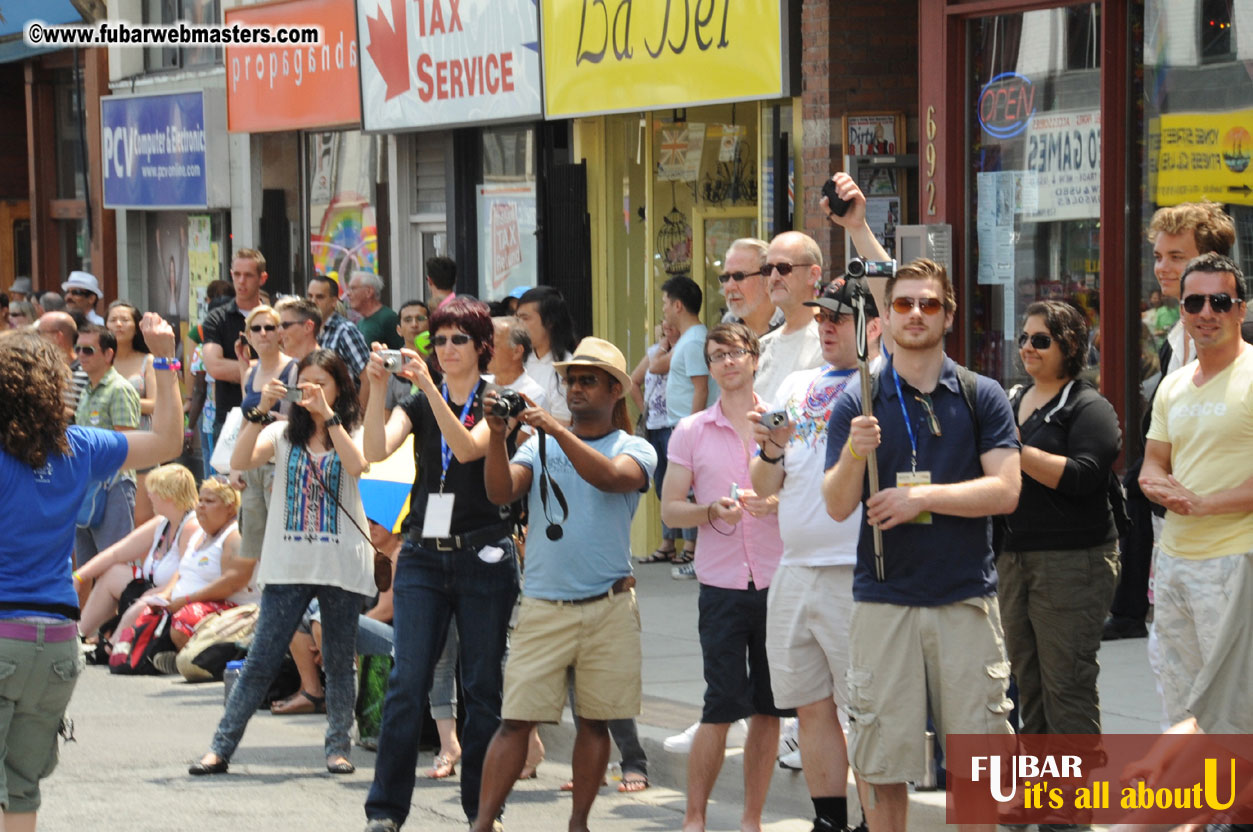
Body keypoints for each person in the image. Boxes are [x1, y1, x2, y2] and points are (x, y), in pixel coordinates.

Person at [822, 258, 1021, 832]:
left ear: (948, 315)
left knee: (978, 769)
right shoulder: (858, 399)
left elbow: (1006, 490)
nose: (916, 313)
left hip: (965, 600)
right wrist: (855, 453)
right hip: (885, 601)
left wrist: (922, 498)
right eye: (904, 303)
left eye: (928, 303)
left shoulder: (981, 394)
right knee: (882, 766)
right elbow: (837, 504)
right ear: (884, 316)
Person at [0, 314, 182, 832]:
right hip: (57, 640)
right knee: (21, 787)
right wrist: (165, 360)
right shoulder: (78, 446)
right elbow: (168, 441)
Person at [473, 336, 656, 832]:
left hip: (609, 605)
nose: (575, 388)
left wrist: (555, 429)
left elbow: (612, 478)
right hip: (543, 605)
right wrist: (497, 437)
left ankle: (578, 824)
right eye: (570, 380)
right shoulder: (537, 445)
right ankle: (483, 824)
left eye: (587, 380)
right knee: (516, 720)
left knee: (595, 722)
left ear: (616, 391)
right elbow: (500, 491)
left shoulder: (634, 447)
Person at [363, 298, 521, 831]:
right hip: (423, 555)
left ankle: (483, 810)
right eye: (439, 340)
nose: (446, 349)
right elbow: (374, 450)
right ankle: (385, 811)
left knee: (481, 687)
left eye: (458, 339)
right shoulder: (415, 400)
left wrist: (429, 388)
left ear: (481, 346)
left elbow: (470, 448)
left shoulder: (497, 398)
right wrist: (378, 387)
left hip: (483, 553)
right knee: (407, 680)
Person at [190, 348, 373, 777]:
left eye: (321, 384)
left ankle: (338, 748)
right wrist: (261, 409)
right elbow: (239, 462)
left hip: (341, 563)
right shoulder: (281, 433)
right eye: (305, 384)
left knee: (339, 661)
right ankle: (220, 748)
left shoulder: (352, 428)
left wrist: (328, 416)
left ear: (339, 388)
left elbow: (357, 465)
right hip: (289, 563)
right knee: (261, 658)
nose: (312, 392)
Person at [748, 278, 884, 830]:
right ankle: (829, 820)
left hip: (854, 570)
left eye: (839, 317)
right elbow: (762, 482)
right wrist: (772, 447)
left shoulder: (882, 380)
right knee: (809, 706)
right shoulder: (795, 384)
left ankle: (877, 820)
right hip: (794, 566)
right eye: (822, 316)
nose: (826, 326)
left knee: (867, 710)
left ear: (873, 326)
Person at [661, 323, 790, 832]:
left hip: (777, 581)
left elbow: (804, 491)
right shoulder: (691, 429)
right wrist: (710, 510)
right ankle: (694, 817)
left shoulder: (780, 419)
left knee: (769, 708)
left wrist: (775, 503)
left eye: (736, 352)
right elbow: (671, 509)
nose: (728, 362)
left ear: (755, 357)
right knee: (719, 705)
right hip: (721, 585)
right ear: (709, 367)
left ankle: (751, 819)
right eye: (717, 356)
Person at [1107, 202, 1239, 641]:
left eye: (1176, 257)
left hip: (1232, 540)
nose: (1162, 267)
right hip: (1177, 531)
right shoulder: (1175, 339)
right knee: (1180, 665)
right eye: (1158, 256)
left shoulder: (1244, 337)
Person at [1139, 252, 1253, 728]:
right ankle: (1200, 782)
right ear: (1181, 311)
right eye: (1194, 302)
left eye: (1220, 302)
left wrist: (1206, 504)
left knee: (1235, 710)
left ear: (1240, 309)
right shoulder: (1173, 385)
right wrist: (1153, 484)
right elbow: (1154, 461)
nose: (1207, 312)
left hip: (1236, 563)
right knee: (1183, 704)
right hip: (1174, 562)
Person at [999, 301, 1122, 737]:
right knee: (1026, 684)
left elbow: (1083, 476)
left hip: (1072, 562)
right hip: (1013, 559)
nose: (1027, 348)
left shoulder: (1089, 406)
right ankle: (1040, 778)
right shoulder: (1011, 400)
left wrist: (1017, 451)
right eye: (1024, 338)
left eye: (1041, 340)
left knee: (1066, 685)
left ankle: (1077, 782)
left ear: (1069, 346)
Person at [120, 478, 257, 674]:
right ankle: (170, 658)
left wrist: (186, 600)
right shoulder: (199, 535)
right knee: (147, 611)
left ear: (230, 508)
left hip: (236, 611)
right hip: (190, 606)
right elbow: (182, 570)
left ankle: (192, 662)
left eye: (209, 501)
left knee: (185, 618)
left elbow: (232, 583)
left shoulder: (235, 535)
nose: (201, 506)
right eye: (200, 500)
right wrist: (166, 595)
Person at [74, 463, 200, 645]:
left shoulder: (191, 526)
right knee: (113, 572)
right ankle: (77, 634)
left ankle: (111, 646)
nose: (149, 496)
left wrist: (152, 597)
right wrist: (79, 576)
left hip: (174, 596)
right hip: (154, 589)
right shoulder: (162, 521)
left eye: (153, 491)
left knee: (141, 604)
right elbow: (116, 553)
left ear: (169, 496)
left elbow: (184, 577)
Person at [231, 304, 300, 568]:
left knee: (282, 540)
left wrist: (276, 419)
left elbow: (301, 419)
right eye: (256, 328)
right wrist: (235, 467)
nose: (263, 333)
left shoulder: (294, 370)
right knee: (254, 544)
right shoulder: (250, 373)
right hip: (252, 466)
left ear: (280, 333)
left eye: (269, 327)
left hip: (279, 462)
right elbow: (246, 418)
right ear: (248, 335)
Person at [74, 325, 143, 577]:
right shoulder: (86, 389)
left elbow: (127, 443)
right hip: (86, 484)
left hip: (113, 485)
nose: (81, 355)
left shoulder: (119, 389)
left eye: (88, 350)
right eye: (78, 349)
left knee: (116, 566)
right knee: (86, 569)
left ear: (108, 354)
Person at [632, 321, 696, 565]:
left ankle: (690, 546)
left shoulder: (684, 350)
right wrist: (645, 411)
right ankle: (667, 543)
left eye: (671, 326)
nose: (667, 330)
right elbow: (633, 381)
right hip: (655, 426)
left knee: (685, 488)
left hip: (676, 424)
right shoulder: (654, 352)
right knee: (662, 486)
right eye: (663, 327)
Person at [201, 249, 269, 441]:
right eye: (237, 274)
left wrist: (242, 369)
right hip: (229, 418)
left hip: (272, 417)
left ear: (262, 278)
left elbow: (291, 363)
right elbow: (215, 367)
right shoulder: (217, 318)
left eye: (248, 275)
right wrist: (268, 370)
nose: (241, 281)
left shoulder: (274, 316)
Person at [753, 233, 826, 403]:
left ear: (813, 274)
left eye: (784, 268)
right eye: (768, 269)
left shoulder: (829, 341)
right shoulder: (762, 345)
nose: (774, 278)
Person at [106, 301, 158, 525]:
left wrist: (116, 399)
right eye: (113, 320)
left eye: (125, 320)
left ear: (136, 326)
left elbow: (154, 404)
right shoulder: (99, 360)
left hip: (141, 443)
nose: (118, 324)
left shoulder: (148, 360)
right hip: (107, 445)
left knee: (141, 517)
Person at [516, 286, 577, 424]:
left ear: (550, 322)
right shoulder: (520, 360)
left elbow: (563, 424)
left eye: (525, 318)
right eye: (517, 318)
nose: (518, 325)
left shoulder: (564, 367)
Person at [309, 273, 371, 386]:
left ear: (333, 302)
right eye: (310, 296)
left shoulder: (346, 331)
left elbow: (367, 376)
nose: (313, 301)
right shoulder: (309, 329)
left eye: (320, 297)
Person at [719, 238, 783, 335]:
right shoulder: (728, 323)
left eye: (739, 276)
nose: (730, 286)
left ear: (768, 281)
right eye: (726, 277)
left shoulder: (793, 324)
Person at [485, 315, 547, 412]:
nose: (485, 350)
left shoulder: (534, 395)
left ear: (517, 351)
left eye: (493, 345)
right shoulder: (480, 384)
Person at [34, 310, 88, 417]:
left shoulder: (87, 372)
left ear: (58, 336)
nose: (36, 338)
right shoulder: (39, 369)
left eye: (40, 333)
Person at [350, 272, 403, 350]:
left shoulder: (388, 318)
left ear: (368, 292)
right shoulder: (361, 323)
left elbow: (401, 350)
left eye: (353, 288)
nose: (348, 293)